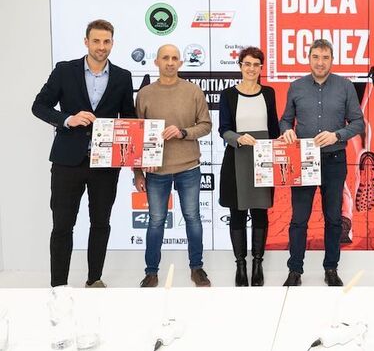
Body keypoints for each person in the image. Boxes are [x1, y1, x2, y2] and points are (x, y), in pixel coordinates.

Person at [32, 19, 134, 288]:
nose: (101, 46)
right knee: (62, 225)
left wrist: (136, 159)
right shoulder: (64, 70)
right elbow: (39, 106)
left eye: (106, 41)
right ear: (86, 42)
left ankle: (94, 279)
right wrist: (68, 119)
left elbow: (129, 119)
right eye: (96, 41)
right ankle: (58, 286)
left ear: (112, 43)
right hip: (67, 162)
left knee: (101, 223)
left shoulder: (123, 76)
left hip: (106, 163)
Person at [279, 39, 365, 286]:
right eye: (315, 57)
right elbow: (285, 120)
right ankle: (295, 270)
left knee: (334, 218)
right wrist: (287, 130)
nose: (320, 62)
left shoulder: (345, 86)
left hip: (334, 160)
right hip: (303, 160)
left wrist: (337, 135)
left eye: (325, 57)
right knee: (299, 219)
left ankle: (331, 269)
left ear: (332, 60)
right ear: (309, 59)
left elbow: (358, 122)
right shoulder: (296, 87)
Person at [133, 44, 212, 287]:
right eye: (165, 58)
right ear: (156, 61)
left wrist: (183, 132)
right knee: (156, 221)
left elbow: (206, 125)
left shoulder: (193, 91)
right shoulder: (145, 94)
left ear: (180, 63)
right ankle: (151, 272)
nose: (170, 62)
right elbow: (137, 134)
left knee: (192, 218)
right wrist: (138, 172)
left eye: (174, 58)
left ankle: (197, 268)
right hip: (156, 170)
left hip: (189, 167)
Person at [218, 47, 279, 287]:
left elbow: (274, 129)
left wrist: (281, 143)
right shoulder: (228, 95)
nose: (251, 68)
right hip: (237, 158)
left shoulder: (269, 93)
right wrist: (238, 138)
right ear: (240, 66)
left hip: (263, 159)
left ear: (261, 68)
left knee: (260, 212)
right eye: (247, 64)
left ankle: (257, 264)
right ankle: (241, 266)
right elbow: (223, 129)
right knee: (237, 213)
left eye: (256, 64)